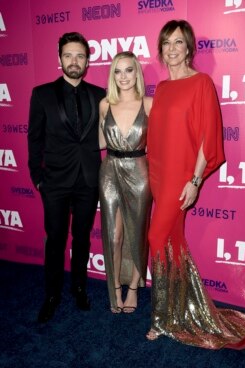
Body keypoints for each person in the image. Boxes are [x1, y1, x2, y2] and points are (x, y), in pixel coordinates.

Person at [146, 19, 245, 348]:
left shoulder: (201, 83)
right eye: (167, 43)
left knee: (156, 238)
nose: (172, 49)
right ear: (161, 49)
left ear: (188, 49)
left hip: (180, 177)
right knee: (172, 243)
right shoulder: (164, 87)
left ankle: (160, 319)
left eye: (178, 43)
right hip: (157, 173)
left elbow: (207, 138)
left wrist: (195, 180)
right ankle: (181, 309)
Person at [28, 32, 106, 323]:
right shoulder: (42, 94)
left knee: (83, 238)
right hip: (55, 183)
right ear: (59, 58)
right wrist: (38, 177)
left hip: (88, 180)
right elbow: (33, 139)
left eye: (80, 56)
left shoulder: (100, 95)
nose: (75, 61)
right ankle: (52, 294)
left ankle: (79, 286)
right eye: (69, 55)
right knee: (56, 240)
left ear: (87, 61)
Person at [98, 51, 152, 313]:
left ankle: (133, 288)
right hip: (109, 170)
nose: (123, 77)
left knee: (136, 234)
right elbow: (99, 142)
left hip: (140, 172)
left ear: (137, 73)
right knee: (114, 235)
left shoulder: (149, 104)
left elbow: (160, 145)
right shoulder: (105, 104)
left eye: (128, 70)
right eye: (118, 71)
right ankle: (114, 290)